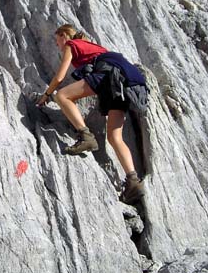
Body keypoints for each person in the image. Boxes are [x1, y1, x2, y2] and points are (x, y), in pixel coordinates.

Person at [37, 24, 147, 205]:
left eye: (58, 42)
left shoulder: (71, 45)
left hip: (109, 76)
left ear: (64, 36)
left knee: (62, 95)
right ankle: (133, 180)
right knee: (114, 137)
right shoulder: (96, 48)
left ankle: (85, 135)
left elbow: (59, 77)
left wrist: (46, 95)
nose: (58, 46)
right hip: (125, 85)